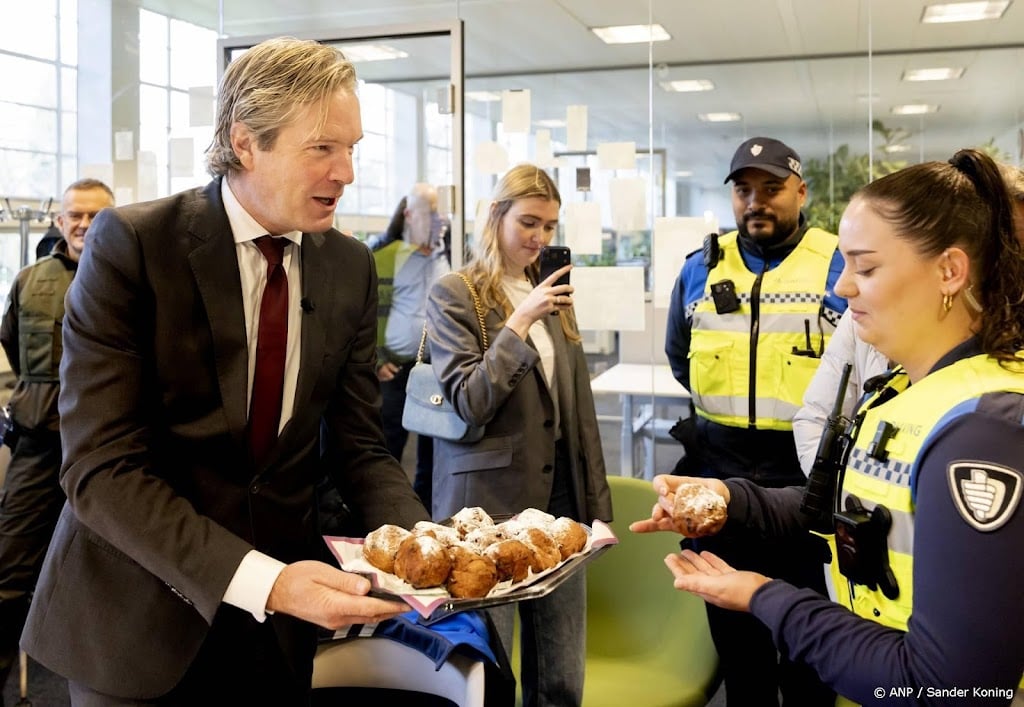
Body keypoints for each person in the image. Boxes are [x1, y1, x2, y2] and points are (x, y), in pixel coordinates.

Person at [20, 37, 430, 705]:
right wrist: (263, 578)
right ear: (246, 143)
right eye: (323, 148)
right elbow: (101, 469)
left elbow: (358, 445)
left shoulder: (347, 265)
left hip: (276, 638)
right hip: (137, 624)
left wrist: (423, 549)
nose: (346, 171)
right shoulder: (133, 245)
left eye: (353, 148)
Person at [635, 148, 1024, 705]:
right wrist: (734, 499)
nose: (844, 288)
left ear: (949, 271)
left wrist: (764, 596)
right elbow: (859, 513)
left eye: (865, 269)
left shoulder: (982, 430)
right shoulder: (904, 393)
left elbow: (956, 687)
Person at [664, 136, 846, 705]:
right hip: (719, 483)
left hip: (807, 486)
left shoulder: (838, 263)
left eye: (771, 189)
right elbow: (679, 357)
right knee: (737, 646)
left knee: (808, 645)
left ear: (801, 192)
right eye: (744, 190)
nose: (755, 202)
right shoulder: (700, 269)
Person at [425, 163, 612, 707]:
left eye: (550, 227)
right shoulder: (456, 295)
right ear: (496, 215)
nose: (540, 238)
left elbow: (577, 409)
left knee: (560, 674)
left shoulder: (549, 291)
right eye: (529, 222)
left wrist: (595, 507)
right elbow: (470, 400)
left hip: (559, 504)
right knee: (489, 671)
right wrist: (518, 322)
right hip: (485, 509)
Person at [0, 178, 114, 699]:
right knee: (9, 569)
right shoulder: (29, 281)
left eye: (95, 215)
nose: (84, 224)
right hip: (39, 446)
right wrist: (17, 401)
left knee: (111, 574)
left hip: (109, 452)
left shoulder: (134, 277)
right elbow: (9, 349)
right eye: (75, 214)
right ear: (58, 220)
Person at [371, 183, 451, 508]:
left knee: (435, 451)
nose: (436, 220)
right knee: (388, 447)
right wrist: (375, 358)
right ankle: (386, 514)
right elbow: (363, 313)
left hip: (438, 369)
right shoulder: (384, 256)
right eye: (428, 212)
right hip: (395, 368)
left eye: (439, 213)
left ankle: (425, 513)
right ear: (408, 214)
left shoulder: (448, 258)